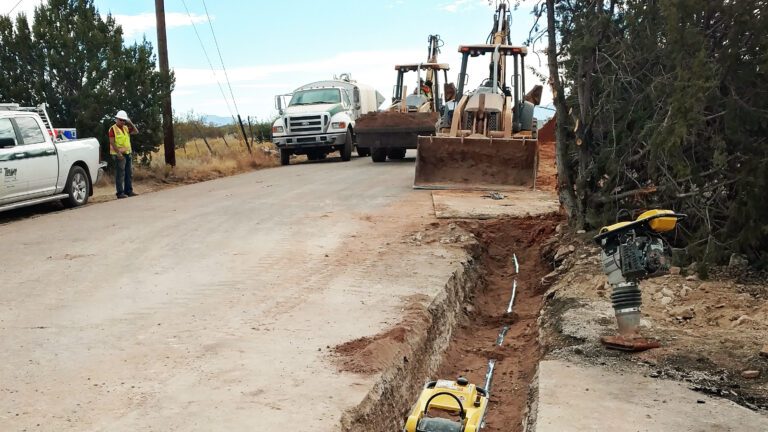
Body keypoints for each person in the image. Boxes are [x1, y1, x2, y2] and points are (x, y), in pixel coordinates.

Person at [108, 110, 139, 199]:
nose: (122, 122)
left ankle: (128, 191)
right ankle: (120, 193)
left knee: (129, 173)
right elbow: (112, 142)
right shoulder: (112, 129)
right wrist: (118, 153)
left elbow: (136, 131)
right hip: (119, 155)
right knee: (120, 174)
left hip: (127, 153)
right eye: (120, 120)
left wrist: (131, 123)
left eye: (124, 120)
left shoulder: (125, 128)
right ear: (116, 119)